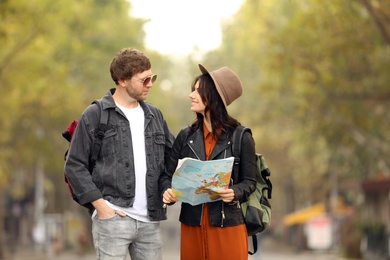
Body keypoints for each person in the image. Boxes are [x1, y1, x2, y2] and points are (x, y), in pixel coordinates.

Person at [65, 47, 175, 260]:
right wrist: (100, 206)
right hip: (112, 218)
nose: (150, 83)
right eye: (144, 80)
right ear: (123, 80)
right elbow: (74, 165)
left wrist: (167, 188)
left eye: (152, 78)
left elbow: (170, 160)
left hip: (150, 221)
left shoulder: (155, 115)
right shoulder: (95, 114)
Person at [159, 64, 257, 259]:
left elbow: (250, 182)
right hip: (191, 226)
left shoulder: (241, 137)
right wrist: (167, 191)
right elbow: (166, 175)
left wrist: (234, 192)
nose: (191, 95)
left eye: (197, 90)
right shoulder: (185, 136)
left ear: (212, 97)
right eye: (192, 89)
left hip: (227, 226)